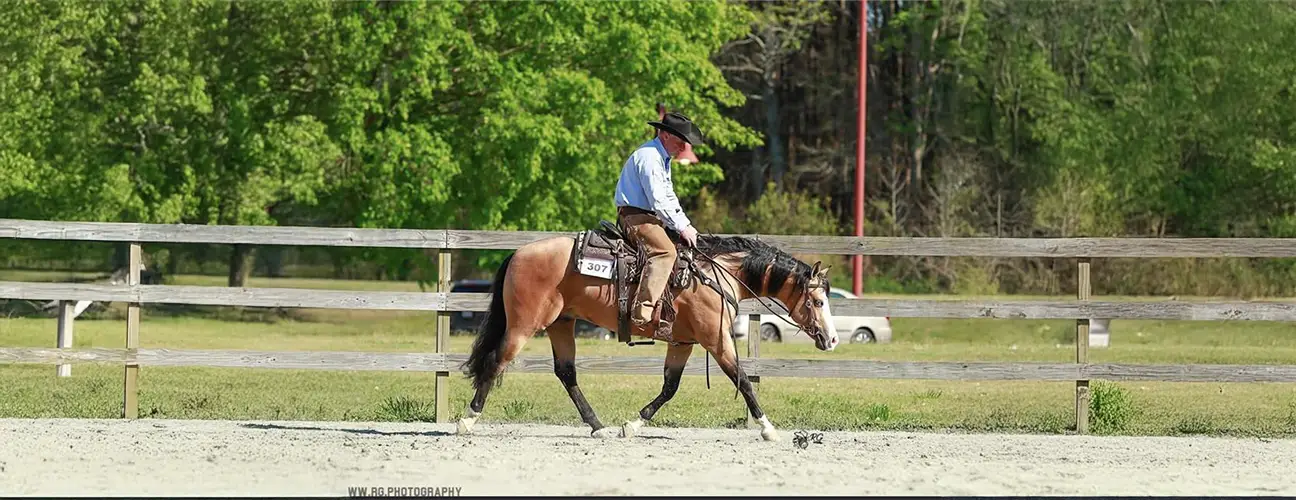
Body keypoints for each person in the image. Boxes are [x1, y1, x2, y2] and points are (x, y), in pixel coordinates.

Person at [613, 111, 703, 336]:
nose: (683, 147)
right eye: (680, 141)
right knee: (665, 253)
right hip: (636, 218)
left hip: (648, 217)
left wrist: (686, 224)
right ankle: (642, 314)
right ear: (664, 135)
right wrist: (682, 227)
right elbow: (659, 200)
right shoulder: (651, 158)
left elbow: (669, 197)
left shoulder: (661, 157)